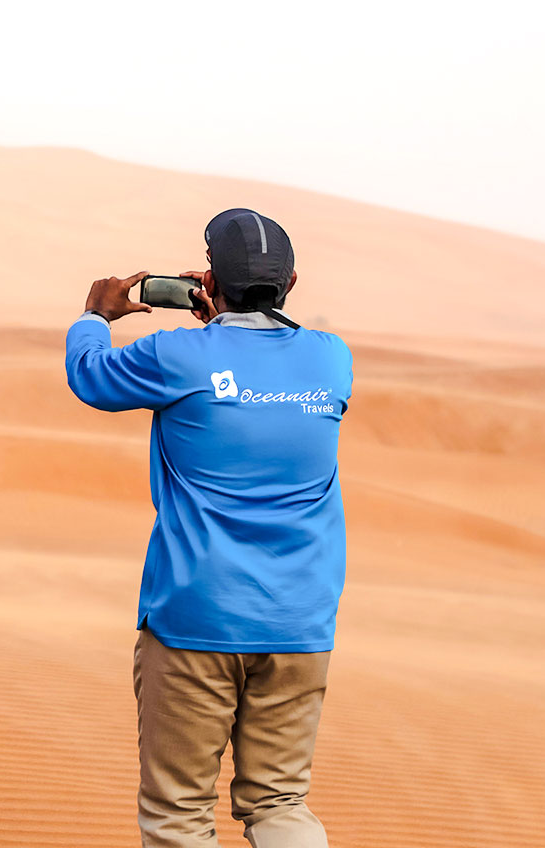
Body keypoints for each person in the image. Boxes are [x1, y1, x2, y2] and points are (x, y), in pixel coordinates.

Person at [64, 209, 353, 848]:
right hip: (298, 623)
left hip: (197, 616)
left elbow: (90, 377)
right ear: (292, 282)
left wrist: (95, 317)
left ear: (208, 279)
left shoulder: (178, 354)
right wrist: (226, 323)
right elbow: (259, 364)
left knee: (177, 814)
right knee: (280, 804)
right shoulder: (332, 360)